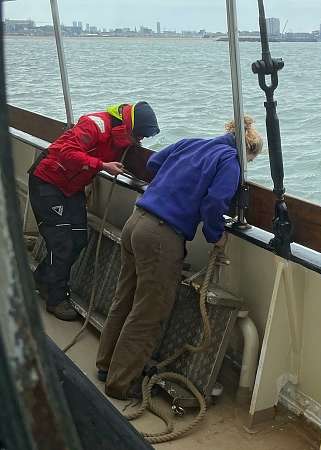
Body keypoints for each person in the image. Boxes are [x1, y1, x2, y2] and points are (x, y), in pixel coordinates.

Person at [95, 116, 263, 400]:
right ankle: (121, 383)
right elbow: (214, 204)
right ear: (249, 151)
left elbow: (154, 163)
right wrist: (215, 235)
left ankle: (106, 365)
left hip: (137, 220)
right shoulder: (230, 162)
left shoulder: (192, 143)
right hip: (161, 235)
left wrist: (177, 183)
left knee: (125, 297)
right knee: (148, 312)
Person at [30, 102, 160, 321]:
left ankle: (43, 278)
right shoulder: (94, 125)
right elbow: (66, 152)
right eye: (139, 136)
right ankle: (56, 299)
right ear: (130, 127)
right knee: (62, 243)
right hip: (48, 182)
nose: (140, 141)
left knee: (79, 239)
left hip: (72, 188)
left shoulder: (122, 138)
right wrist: (101, 165)